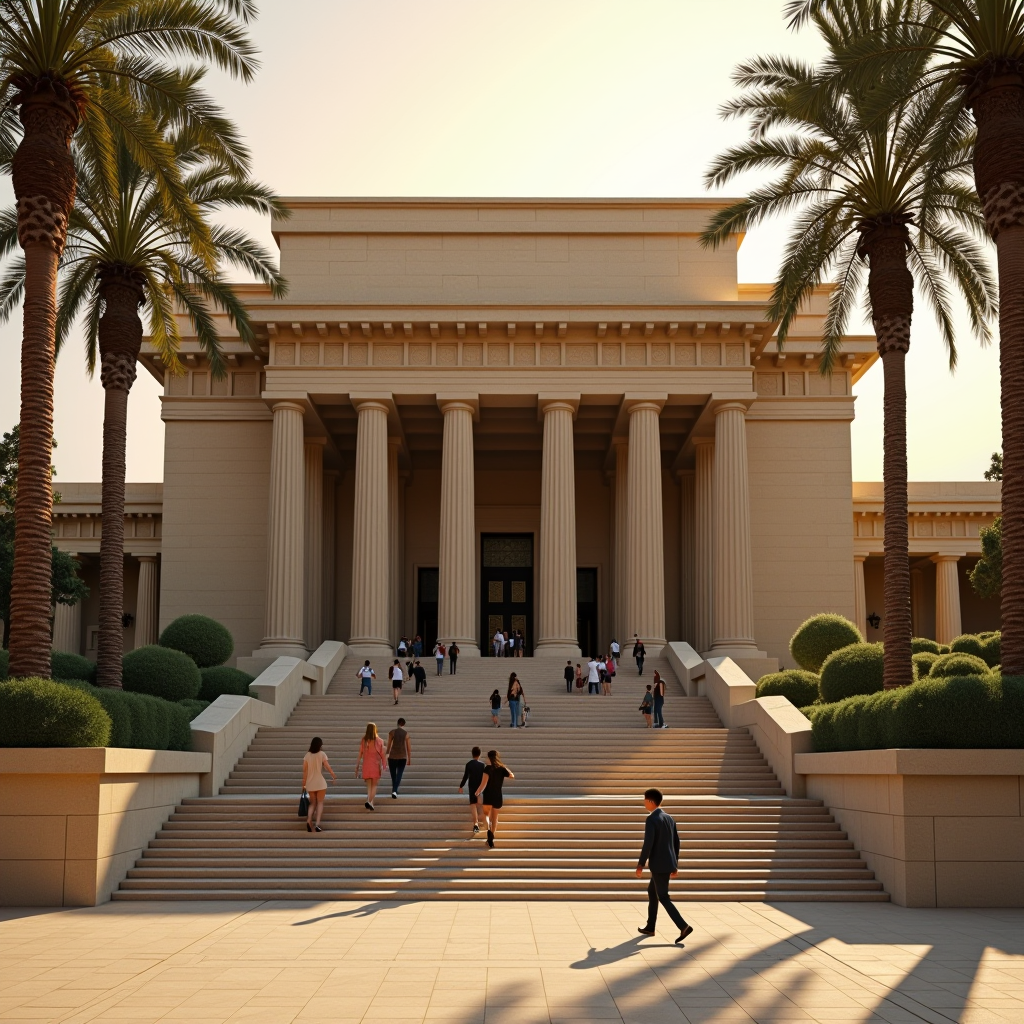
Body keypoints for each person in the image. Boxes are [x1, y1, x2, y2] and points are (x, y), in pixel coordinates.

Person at [636, 788, 692, 945]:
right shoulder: (669, 818)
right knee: (652, 892)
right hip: (667, 863)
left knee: (663, 896)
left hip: (658, 865)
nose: (644, 803)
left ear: (651, 801)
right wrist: (675, 863)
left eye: (645, 800)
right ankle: (650, 926)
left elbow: (648, 844)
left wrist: (640, 864)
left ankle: (684, 926)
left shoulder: (652, 819)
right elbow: (676, 843)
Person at [475, 749, 514, 848]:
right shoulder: (501, 768)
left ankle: (488, 830)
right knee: (495, 818)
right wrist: (504, 766)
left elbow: (483, 784)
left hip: (488, 795)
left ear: (489, 757)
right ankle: (492, 838)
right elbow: (511, 775)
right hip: (497, 796)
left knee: (486, 815)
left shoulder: (487, 769)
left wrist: (478, 792)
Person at [301, 736, 336, 832]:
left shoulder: (307, 755)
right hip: (320, 783)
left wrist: (303, 783)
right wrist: (333, 775)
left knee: (313, 803)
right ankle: (317, 824)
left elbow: (304, 770)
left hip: (310, 783)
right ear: (320, 745)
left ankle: (309, 820)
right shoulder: (322, 754)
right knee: (320, 802)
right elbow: (327, 766)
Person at [354, 723, 385, 810]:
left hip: (366, 765)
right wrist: (383, 765)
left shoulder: (364, 740)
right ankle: (369, 801)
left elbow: (360, 754)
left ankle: (370, 802)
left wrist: (357, 765)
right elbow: (382, 755)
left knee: (369, 786)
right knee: (374, 786)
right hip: (376, 764)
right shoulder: (380, 741)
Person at [458, 746, 486, 833]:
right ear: (480, 754)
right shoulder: (482, 765)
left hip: (472, 787)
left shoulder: (469, 764)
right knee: (480, 805)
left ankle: (475, 824)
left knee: (473, 805)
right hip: (480, 787)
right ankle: (485, 822)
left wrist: (461, 786)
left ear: (472, 754)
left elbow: (465, 776)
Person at [385, 717, 411, 798]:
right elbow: (408, 747)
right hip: (402, 756)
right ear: (404, 724)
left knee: (393, 774)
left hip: (392, 756)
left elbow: (389, 745)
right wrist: (409, 758)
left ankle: (394, 790)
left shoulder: (392, 732)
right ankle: (395, 790)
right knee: (399, 774)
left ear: (397, 723)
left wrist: (387, 754)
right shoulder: (406, 734)